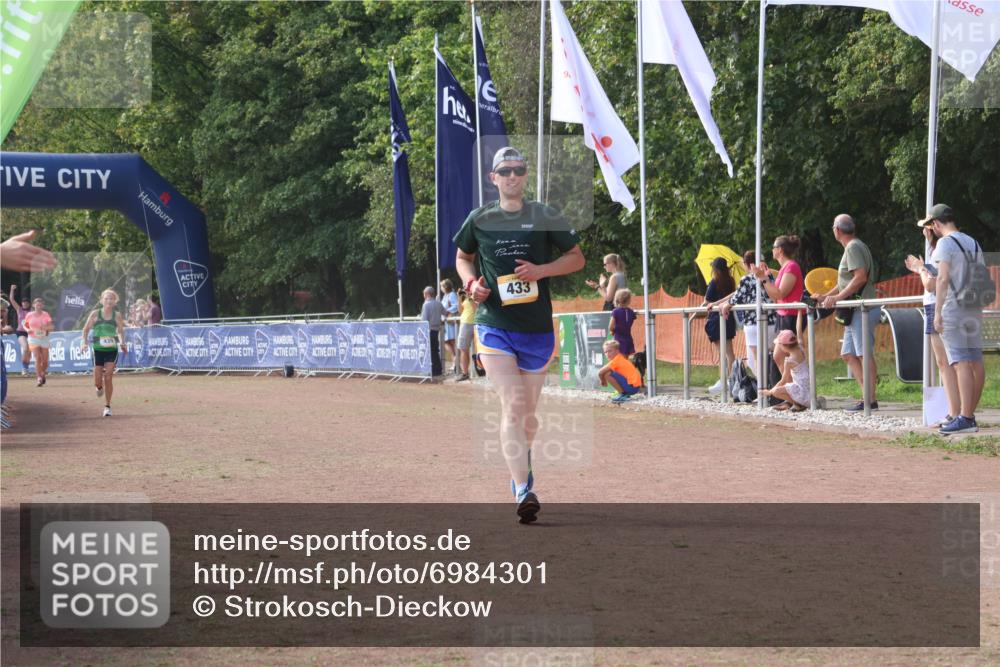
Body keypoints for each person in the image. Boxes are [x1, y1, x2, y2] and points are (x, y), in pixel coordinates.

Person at [454, 146, 585, 524]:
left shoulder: (544, 216)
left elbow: (577, 258)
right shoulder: (479, 219)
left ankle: (521, 473)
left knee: (528, 417)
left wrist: (541, 271)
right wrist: (471, 284)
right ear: (493, 178)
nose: (512, 176)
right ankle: (523, 489)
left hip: (537, 330)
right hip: (494, 325)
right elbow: (463, 258)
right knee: (512, 406)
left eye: (518, 170)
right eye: (504, 171)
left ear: (525, 176)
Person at [925, 204, 988, 434]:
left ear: (936, 224)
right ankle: (968, 414)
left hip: (954, 306)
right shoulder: (973, 242)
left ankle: (966, 417)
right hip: (973, 306)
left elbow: (941, 279)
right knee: (974, 359)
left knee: (960, 361)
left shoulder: (944, 243)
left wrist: (938, 312)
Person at [820, 214, 879, 412]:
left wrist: (837, 299)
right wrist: (826, 296)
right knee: (848, 353)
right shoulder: (854, 246)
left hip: (861, 308)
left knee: (863, 353)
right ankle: (866, 397)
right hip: (854, 310)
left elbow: (860, 278)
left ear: (837, 230)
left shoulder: (853, 247)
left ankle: (870, 400)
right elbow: (845, 281)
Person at [905, 219, 959, 426]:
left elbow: (930, 284)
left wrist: (919, 268)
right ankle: (953, 411)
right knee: (944, 363)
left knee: (946, 363)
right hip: (937, 306)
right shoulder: (936, 250)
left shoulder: (940, 252)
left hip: (938, 306)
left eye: (927, 229)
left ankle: (954, 412)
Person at [752, 235, 804, 376]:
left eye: (774, 247)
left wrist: (763, 278)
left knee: (782, 356)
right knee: (780, 357)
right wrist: (766, 278)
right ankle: (791, 390)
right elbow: (774, 295)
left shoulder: (791, 267)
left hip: (790, 316)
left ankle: (794, 390)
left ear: (780, 250)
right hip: (784, 315)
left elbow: (780, 293)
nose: (772, 250)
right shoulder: (784, 268)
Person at [721, 251, 777, 378]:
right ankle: (772, 385)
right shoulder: (769, 276)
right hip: (772, 321)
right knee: (772, 357)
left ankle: (762, 389)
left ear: (748, 264)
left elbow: (737, 297)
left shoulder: (746, 279)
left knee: (756, 359)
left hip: (753, 322)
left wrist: (726, 304)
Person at [80, 289, 128, 417]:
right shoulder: (95, 314)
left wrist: (122, 343)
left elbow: (120, 331)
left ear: (115, 301)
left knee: (108, 376)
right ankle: (98, 387)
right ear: (101, 300)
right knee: (97, 379)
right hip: (98, 349)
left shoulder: (117, 315)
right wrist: (84, 343)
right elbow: (85, 330)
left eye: (111, 298)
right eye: (106, 298)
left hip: (112, 349)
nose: (109, 300)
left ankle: (107, 406)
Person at [702, 257, 736, 393]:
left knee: (721, 353)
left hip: (716, 319)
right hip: (729, 319)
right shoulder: (731, 281)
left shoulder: (714, 282)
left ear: (715, 269)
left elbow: (707, 300)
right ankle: (732, 380)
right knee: (730, 352)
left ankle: (723, 381)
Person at [762, 329, 811, 412]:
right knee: (786, 387)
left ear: (783, 346)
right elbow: (798, 329)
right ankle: (799, 404)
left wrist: (770, 392)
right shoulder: (801, 347)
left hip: (801, 392)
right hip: (809, 391)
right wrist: (799, 315)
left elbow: (783, 380)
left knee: (776, 392)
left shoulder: (789, 361)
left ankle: (798, 404)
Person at [23, 297, 53, 387]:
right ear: (33, 305)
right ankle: (39, 378)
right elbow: (24, 324)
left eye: (40, 305)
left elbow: (51, 327)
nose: (39, 306)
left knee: (45, 361)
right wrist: (27, 330)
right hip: (33, 338)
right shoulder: (29, 315)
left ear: (42, 306)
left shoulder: (46, 314)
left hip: (44, 338)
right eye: (37, 305)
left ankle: (42, 372)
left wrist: (45, 328)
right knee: (37, 358)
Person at [420, 286, 445, 377]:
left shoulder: (426, 304)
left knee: (431, 350)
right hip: (436, 329)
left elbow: (424, 319)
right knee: (435, 349)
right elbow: (445, 312)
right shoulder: (438, 303)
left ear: (427, 294)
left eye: (424, 294)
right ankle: (438, 369)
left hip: (429, 330)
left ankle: (434, 370)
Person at [9, 285, 32, 376]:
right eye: (23, 302)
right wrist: (11, 289)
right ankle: (24, 369)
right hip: (21, 332)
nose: (24, 303)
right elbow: (11, 299)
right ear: (22, 303)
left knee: (29, 351)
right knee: (25, 347)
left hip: (30, 333)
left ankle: (26, 368)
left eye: (26, 302)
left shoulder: (32, 311)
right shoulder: (19, 309)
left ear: (29, 304)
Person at [609, 288, 637, 358]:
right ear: (628, 300)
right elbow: (628, 324)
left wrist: (613, 331)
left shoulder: (615, 311)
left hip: (618, 339)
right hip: (628, 338)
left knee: (618, 360)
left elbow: (610, 327)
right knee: (625, 360)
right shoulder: (631, 312)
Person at [440, 279, 460, 374]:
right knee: (445, 341)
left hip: (451, 322)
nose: (441, 288)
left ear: (446, 287)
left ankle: (456, 363)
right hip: (446, 322)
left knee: (452, 342)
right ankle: (455, 361)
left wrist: (447, 310)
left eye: (442, 286)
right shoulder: (445, 296)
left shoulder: (452, 294)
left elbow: (456, 306)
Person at [456, 289, 476, 381]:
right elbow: (460, 311)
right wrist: (459, 298)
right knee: (463, 349)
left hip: (471, 323)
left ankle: (482, 370)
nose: (465, 290)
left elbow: (476, 309)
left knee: (479, 350)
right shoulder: (465, 299)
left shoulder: (475, 296)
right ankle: (465, 373)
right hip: (464, 323)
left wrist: (471, 298)